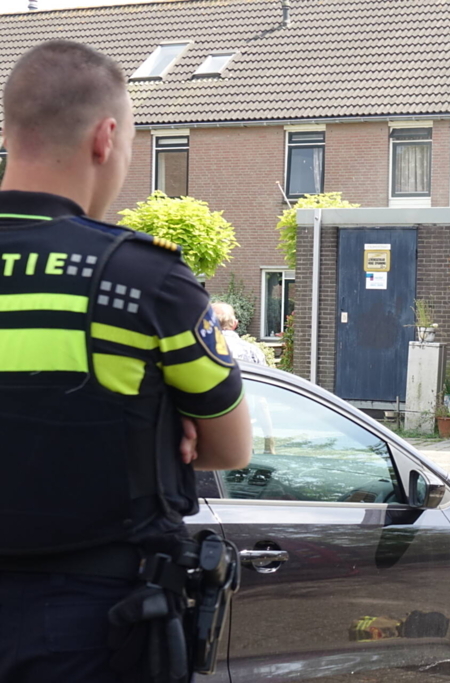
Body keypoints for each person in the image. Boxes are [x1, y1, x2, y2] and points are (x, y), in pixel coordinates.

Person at [0, 40, 252, 682]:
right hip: (92, 628)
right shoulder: (144, 280)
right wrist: (162, 425)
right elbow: (230, 447)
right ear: (105, 139)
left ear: (11, 131)